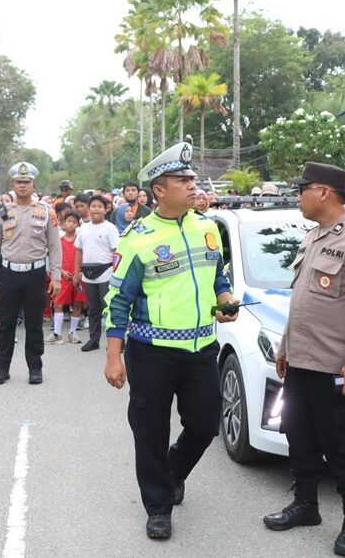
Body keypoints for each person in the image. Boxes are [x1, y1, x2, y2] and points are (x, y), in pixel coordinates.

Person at [103, 142, 238, 540]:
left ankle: (173, 470)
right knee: (150, 431)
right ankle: (159, 506)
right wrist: (115, 357)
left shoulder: (207, 227)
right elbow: (118, 301)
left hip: (201, 350)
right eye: (182, 180)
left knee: (204, 425)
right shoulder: (138, 237)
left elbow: (219, 281)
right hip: (152, 354)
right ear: (159, 189)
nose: (192, 185)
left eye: (192, 179)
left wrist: (226, 301)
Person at [265, 162, 345, 558]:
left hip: (338, 368)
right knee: (298, 435)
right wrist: (285, 347)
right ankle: (306, 506)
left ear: (323, 191)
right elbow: (301, 302)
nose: (297, 196)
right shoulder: (312, 237)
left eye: (302, 189)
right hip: (301, 361)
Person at [0, 162, 62, 385]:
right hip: (8, 274)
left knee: (34, 323)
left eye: (26, 182)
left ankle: (35, 367)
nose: (22, 185)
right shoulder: (3, 211)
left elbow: (55, 246)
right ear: (13, 184)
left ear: (33, 184)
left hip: (35, 274)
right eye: (19, 182)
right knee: (6, 323)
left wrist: (55, 277)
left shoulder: (46, 211)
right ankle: (2, 367)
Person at [73, 195, 120, 352]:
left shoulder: (110, 228)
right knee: (93, 309)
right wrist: (76, 272)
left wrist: (116, 273)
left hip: (106, 272)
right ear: (89, 208)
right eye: (93, 206)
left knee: (109, 307)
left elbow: (116, 253)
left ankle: (117, 342)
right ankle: (94, 340)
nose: (96, 209)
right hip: (88, 273)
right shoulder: (83, 228)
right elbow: (78, 251)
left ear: (106, 209)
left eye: (100, 206)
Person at [46, 213, 86, 345]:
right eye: (69, 221)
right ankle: (57, 333)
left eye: (74, 222)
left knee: (77, 304)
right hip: (62, 277)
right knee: (58, 304)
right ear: (63, 224)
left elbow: (85, 258)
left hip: (77, 277)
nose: (71, 224)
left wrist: (79, 273)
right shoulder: (59, 241)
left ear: (78, 224)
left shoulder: (80, 241)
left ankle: (73, 332)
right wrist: (61, 272)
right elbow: (54, 259)